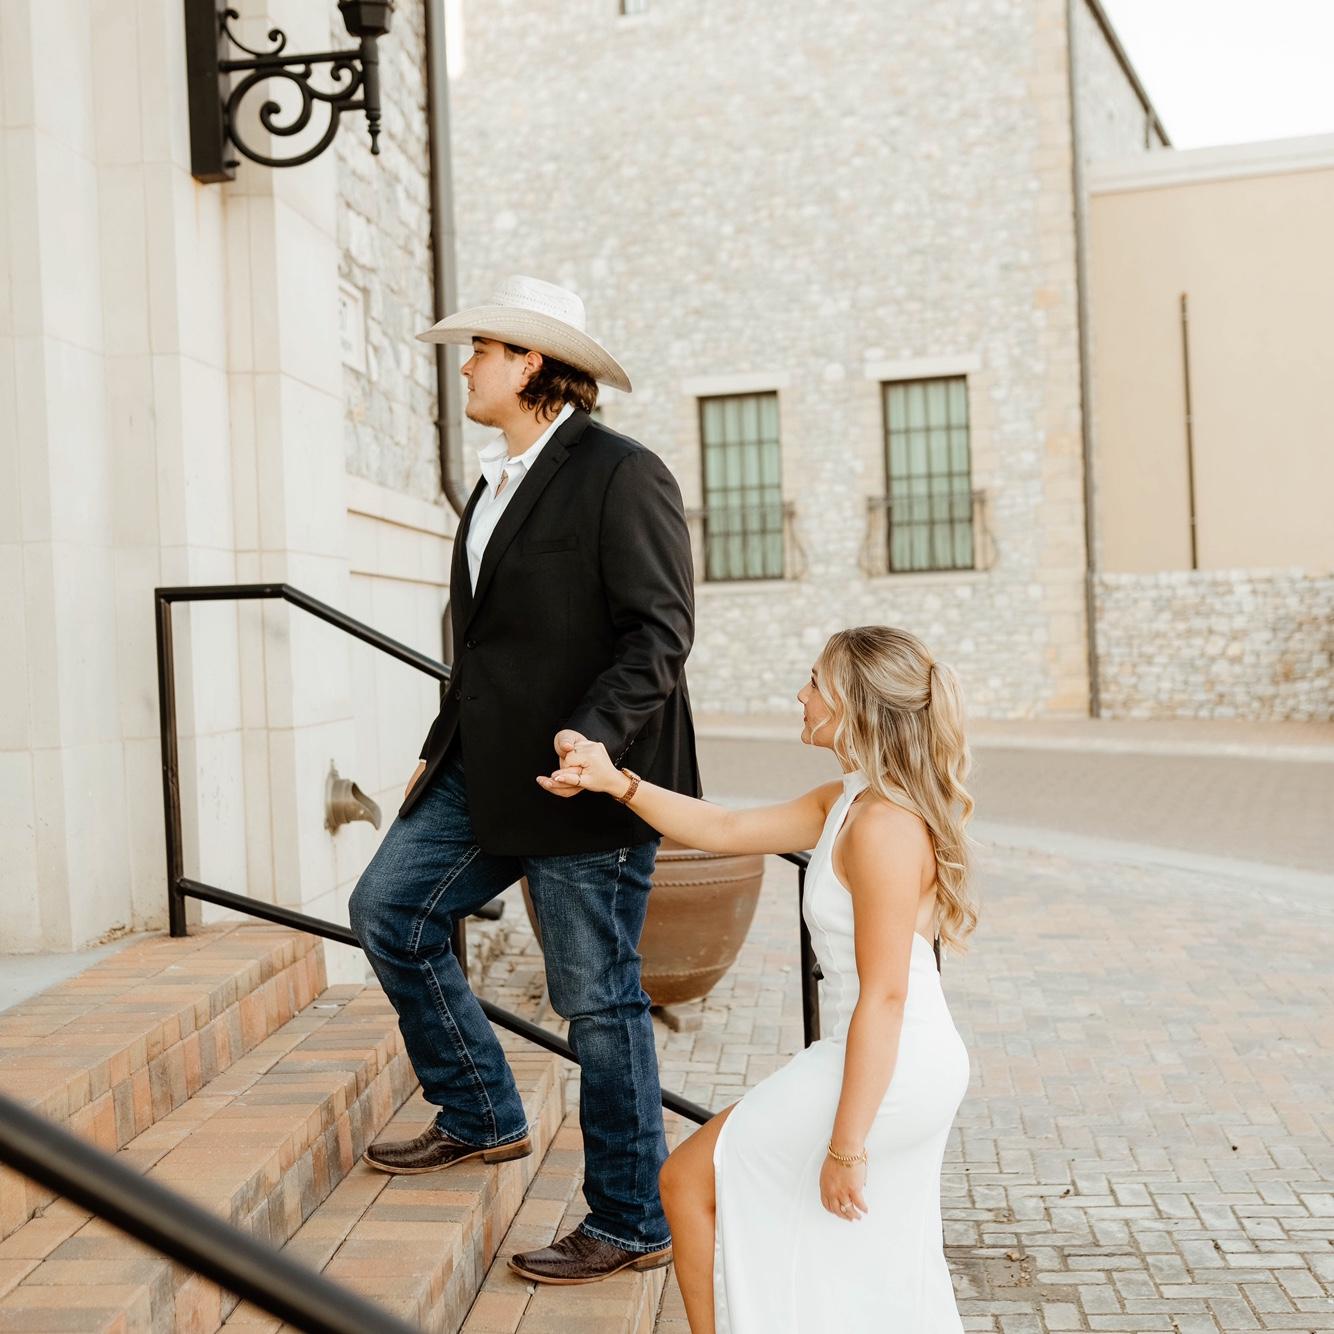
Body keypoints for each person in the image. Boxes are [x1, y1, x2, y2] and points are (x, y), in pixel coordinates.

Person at [349, 275, 701, 1284]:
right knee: (388, 909)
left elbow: (659, 630)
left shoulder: (620, 472)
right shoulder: (490, 484)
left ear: (532, 362)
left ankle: (631, 1218)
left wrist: (594, 739)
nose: (465, 366)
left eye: (482, 350)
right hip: (482, 769)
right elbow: (483, 646)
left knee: (596, 1000)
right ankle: (480, 1109)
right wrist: (438, 744)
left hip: (586, 779)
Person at [543, 625, 976, 1331]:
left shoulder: (885, 826)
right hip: (876, 1050)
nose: (801, 695)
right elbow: (725, 828)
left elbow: (887, 995)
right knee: (854, 1255)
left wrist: (847, 1145)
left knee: (689, 1182)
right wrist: (617, 782)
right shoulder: (848, 799)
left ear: (854, 703)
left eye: (816, 682)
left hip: (894, 1059)